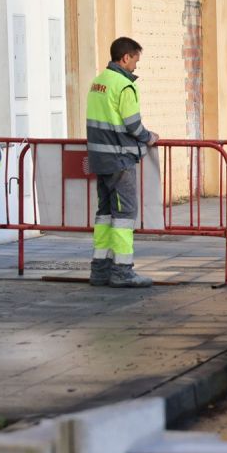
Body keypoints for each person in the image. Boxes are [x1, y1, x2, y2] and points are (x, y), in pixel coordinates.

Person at [86, 37, 158, 288]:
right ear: (125, 57)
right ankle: (122, 271)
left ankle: (100, 269)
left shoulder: (98, 82)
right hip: (119, 159)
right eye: (136, 60)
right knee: (125, 215)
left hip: (98, 158)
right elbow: (132, 124)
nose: (136, 66)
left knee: (104, 214)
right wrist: (149, 138)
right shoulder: (124, 86)